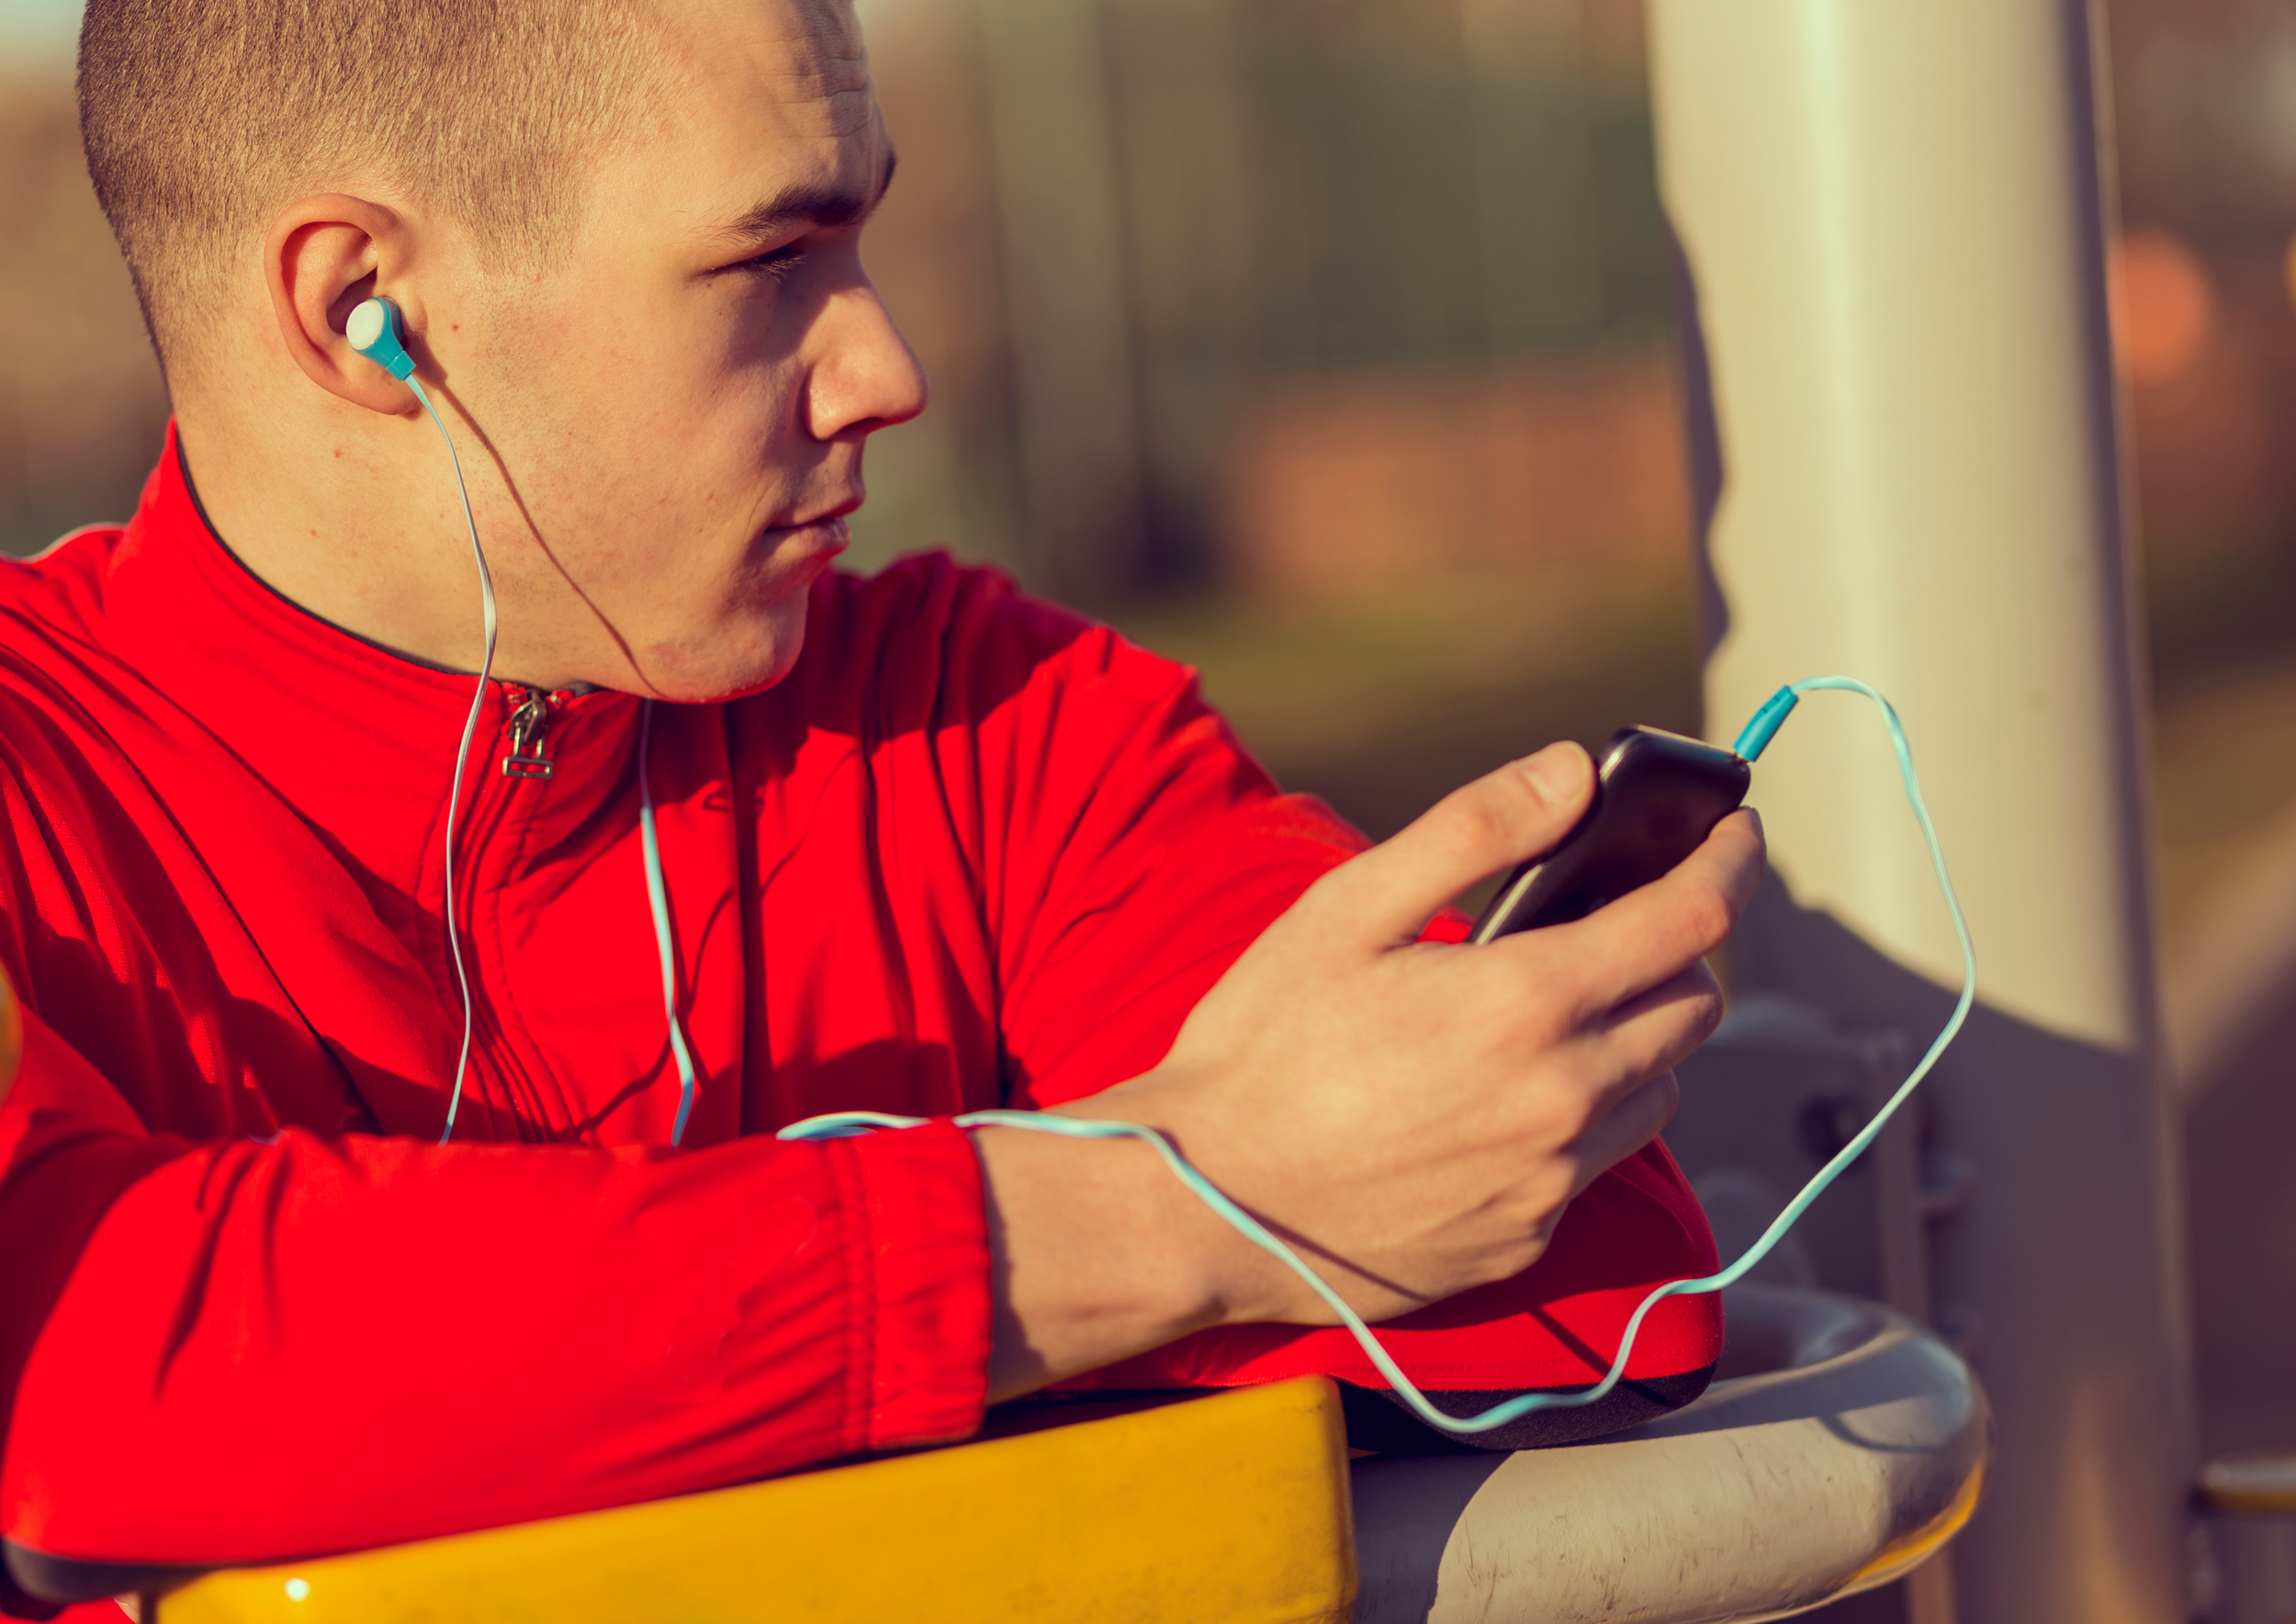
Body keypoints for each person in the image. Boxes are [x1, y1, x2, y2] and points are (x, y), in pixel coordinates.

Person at [0, 0, 1764, 1614]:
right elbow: (71, 1363)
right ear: (359, 311)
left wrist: (489, 1387)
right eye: (773, 259)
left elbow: (1575, 1270)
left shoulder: (987, 718)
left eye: (862, 236)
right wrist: (1179, 1210)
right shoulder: (31, 771)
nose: (886, 369)